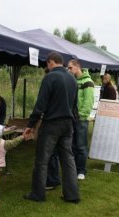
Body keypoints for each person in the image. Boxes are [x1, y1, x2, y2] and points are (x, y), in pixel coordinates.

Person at [23, 51, 80, 203]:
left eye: (46, 64)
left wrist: (31, 125)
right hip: (68, 125)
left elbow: (40, 105)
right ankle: (72, 195)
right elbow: (75, 107)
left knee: (42, 160)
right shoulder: (73, 79)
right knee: (68, 160)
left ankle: (38, 194)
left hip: (51, 125)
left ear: (50, 62)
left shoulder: (50, 77)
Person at [67, 59, 94, 180]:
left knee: (81, 146)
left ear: (77, 67)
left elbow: (88, 102)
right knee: (72, 145)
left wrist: (81, 116)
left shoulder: (88, 82)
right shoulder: (73, 81)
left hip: (81, 119)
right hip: (72, 118)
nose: (69, 70)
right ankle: (73, 169)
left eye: (70, 68)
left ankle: (81, 170)